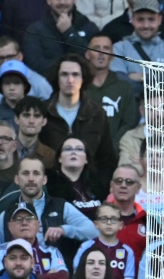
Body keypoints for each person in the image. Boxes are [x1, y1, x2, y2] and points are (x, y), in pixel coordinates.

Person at [40, 54, 117, 187]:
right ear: (56, 78)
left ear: (83, 79)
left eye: (75, 75)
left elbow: (106, 159)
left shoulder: (97, 114)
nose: (70, 80)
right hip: (51, 187)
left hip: (90, 188)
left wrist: (98, 190)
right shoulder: (42, 113)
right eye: (64, 74)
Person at [22, 0, 99, 74]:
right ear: (48, 0)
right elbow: (35, 65)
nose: (62, 2)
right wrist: (65, 71)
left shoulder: (89, 26)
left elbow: (92, 59)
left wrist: (69, 32)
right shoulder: (35, 30)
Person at [110, 0, 164, 80]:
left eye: (151, 19)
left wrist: (136, 77)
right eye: (140, 19)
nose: (146, 25)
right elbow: (120, 83)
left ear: (159, 20)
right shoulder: (119, 49)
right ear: (132, 19)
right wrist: (159, 77)